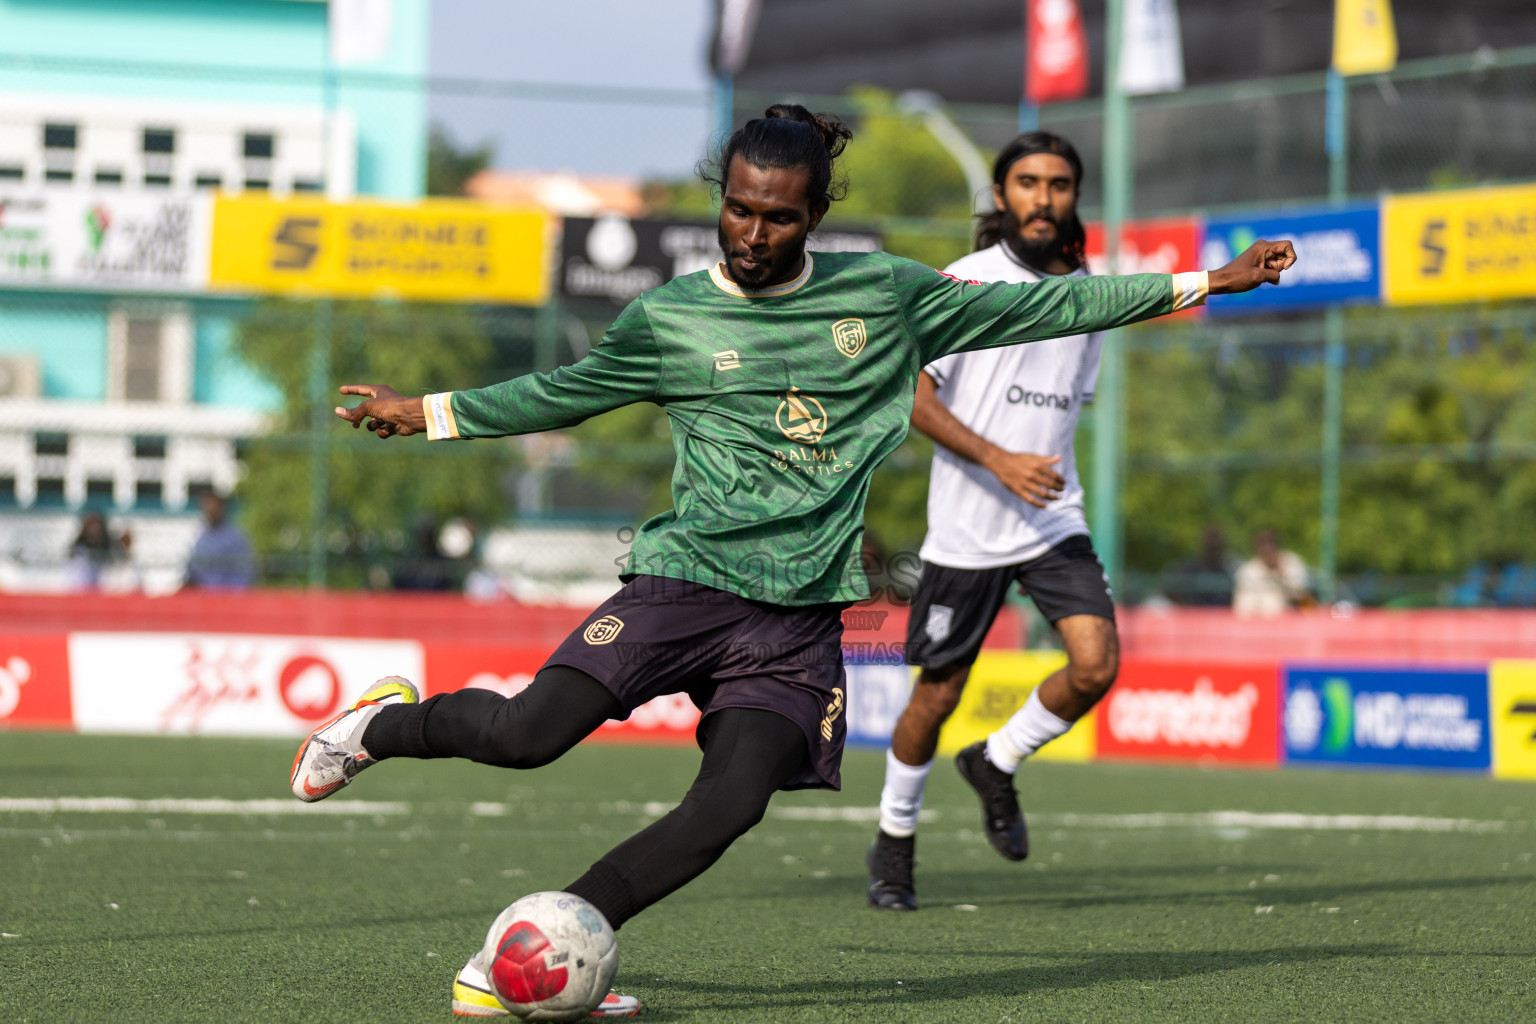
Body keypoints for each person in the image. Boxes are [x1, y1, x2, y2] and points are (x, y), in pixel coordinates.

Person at [287, 105, 1295, 1017]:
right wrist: (425, 413)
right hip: (682, 583)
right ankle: (387, 722)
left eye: (777, 215)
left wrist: (1208, 280)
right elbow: (562, 391)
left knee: (729, 803)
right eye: (738, 210)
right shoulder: (671, 318)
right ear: (721, 201)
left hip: (797, 620)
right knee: (525, 733)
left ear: (815, 213)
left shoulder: (889, 296)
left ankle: (557, 943)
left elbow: (1051, 308)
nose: (753, 233)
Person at [865, 131, 1128, 911]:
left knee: (1096, 664)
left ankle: (997, 761)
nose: (1042, 197)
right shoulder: (967, 282)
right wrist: (998, 458)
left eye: (1057, 184)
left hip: (1053, 521)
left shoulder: (1092, 292)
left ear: (1074, 196)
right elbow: (913, 396)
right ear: (1002, 195)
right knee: (936, 698)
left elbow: (1064, 413)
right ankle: (893, 843)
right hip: (968, 531)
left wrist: (1033, 469)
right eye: (1026, 182)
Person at [1232, 528, 1313, 618]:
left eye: (1270, 542)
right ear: (1256, 547)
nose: (1268, 547)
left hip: (1292, 622)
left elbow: (1302, 595)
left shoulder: (1291, 562)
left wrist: (1281, 574)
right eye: (1263, 543)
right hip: (1259, 625)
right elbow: (1243, 609)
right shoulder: (1248, 572)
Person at [184, 492, 254, 590]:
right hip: (203, 599)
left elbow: (245, 573)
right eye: (206, 505)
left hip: (227, 598)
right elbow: (193, 573)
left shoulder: (235, 538)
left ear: (221, 507)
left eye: (212, 506)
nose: (209, 510)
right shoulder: (202, 539)